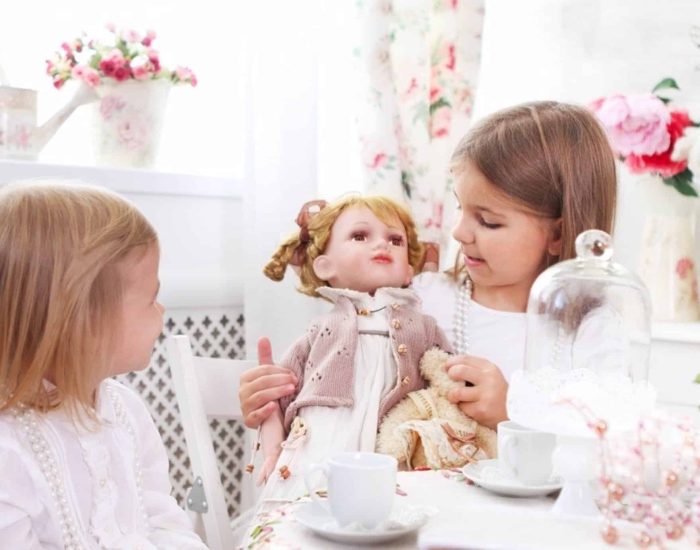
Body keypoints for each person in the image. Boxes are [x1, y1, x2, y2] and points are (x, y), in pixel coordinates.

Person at [240, 100, 617, 433]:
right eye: (460, 207)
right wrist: (274, 399)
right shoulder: (417, 300)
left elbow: (604, 443)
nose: (459, 232)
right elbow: (338, 385)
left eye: (488, 221)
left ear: (558, 234)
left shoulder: (590, 331)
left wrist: (512, 410)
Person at [0, 182, 207, 549]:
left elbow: (160, 517)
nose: (161, 311)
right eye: (152, 297)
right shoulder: (9, 449)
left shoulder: (127, 412)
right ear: (85, 318)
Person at [250, 195, 451, 501]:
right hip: (321, 448)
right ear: (324, 265)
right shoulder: (320, 330)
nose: (382, 245)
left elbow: (450, 385)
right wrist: (273, 450)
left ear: (409, 270)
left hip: (395, 453)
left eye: (395, 240)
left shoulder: (425, 327)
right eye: (360, 236)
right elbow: (274, 401)